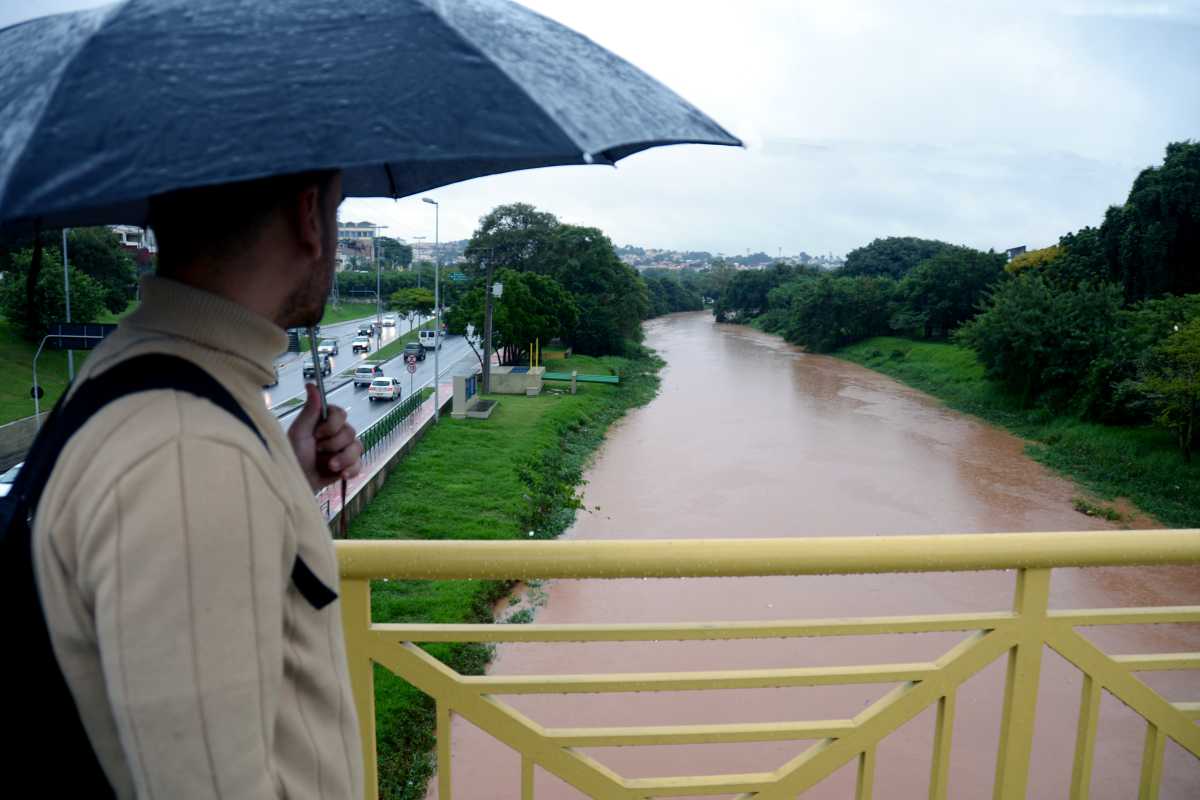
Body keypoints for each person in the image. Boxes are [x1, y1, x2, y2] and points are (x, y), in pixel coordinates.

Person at [32, 170, 364, 798]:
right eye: (337, 206)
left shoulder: (146, 373)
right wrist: (230, 480)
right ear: (308, 216)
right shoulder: (191, 449)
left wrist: (284, 480)